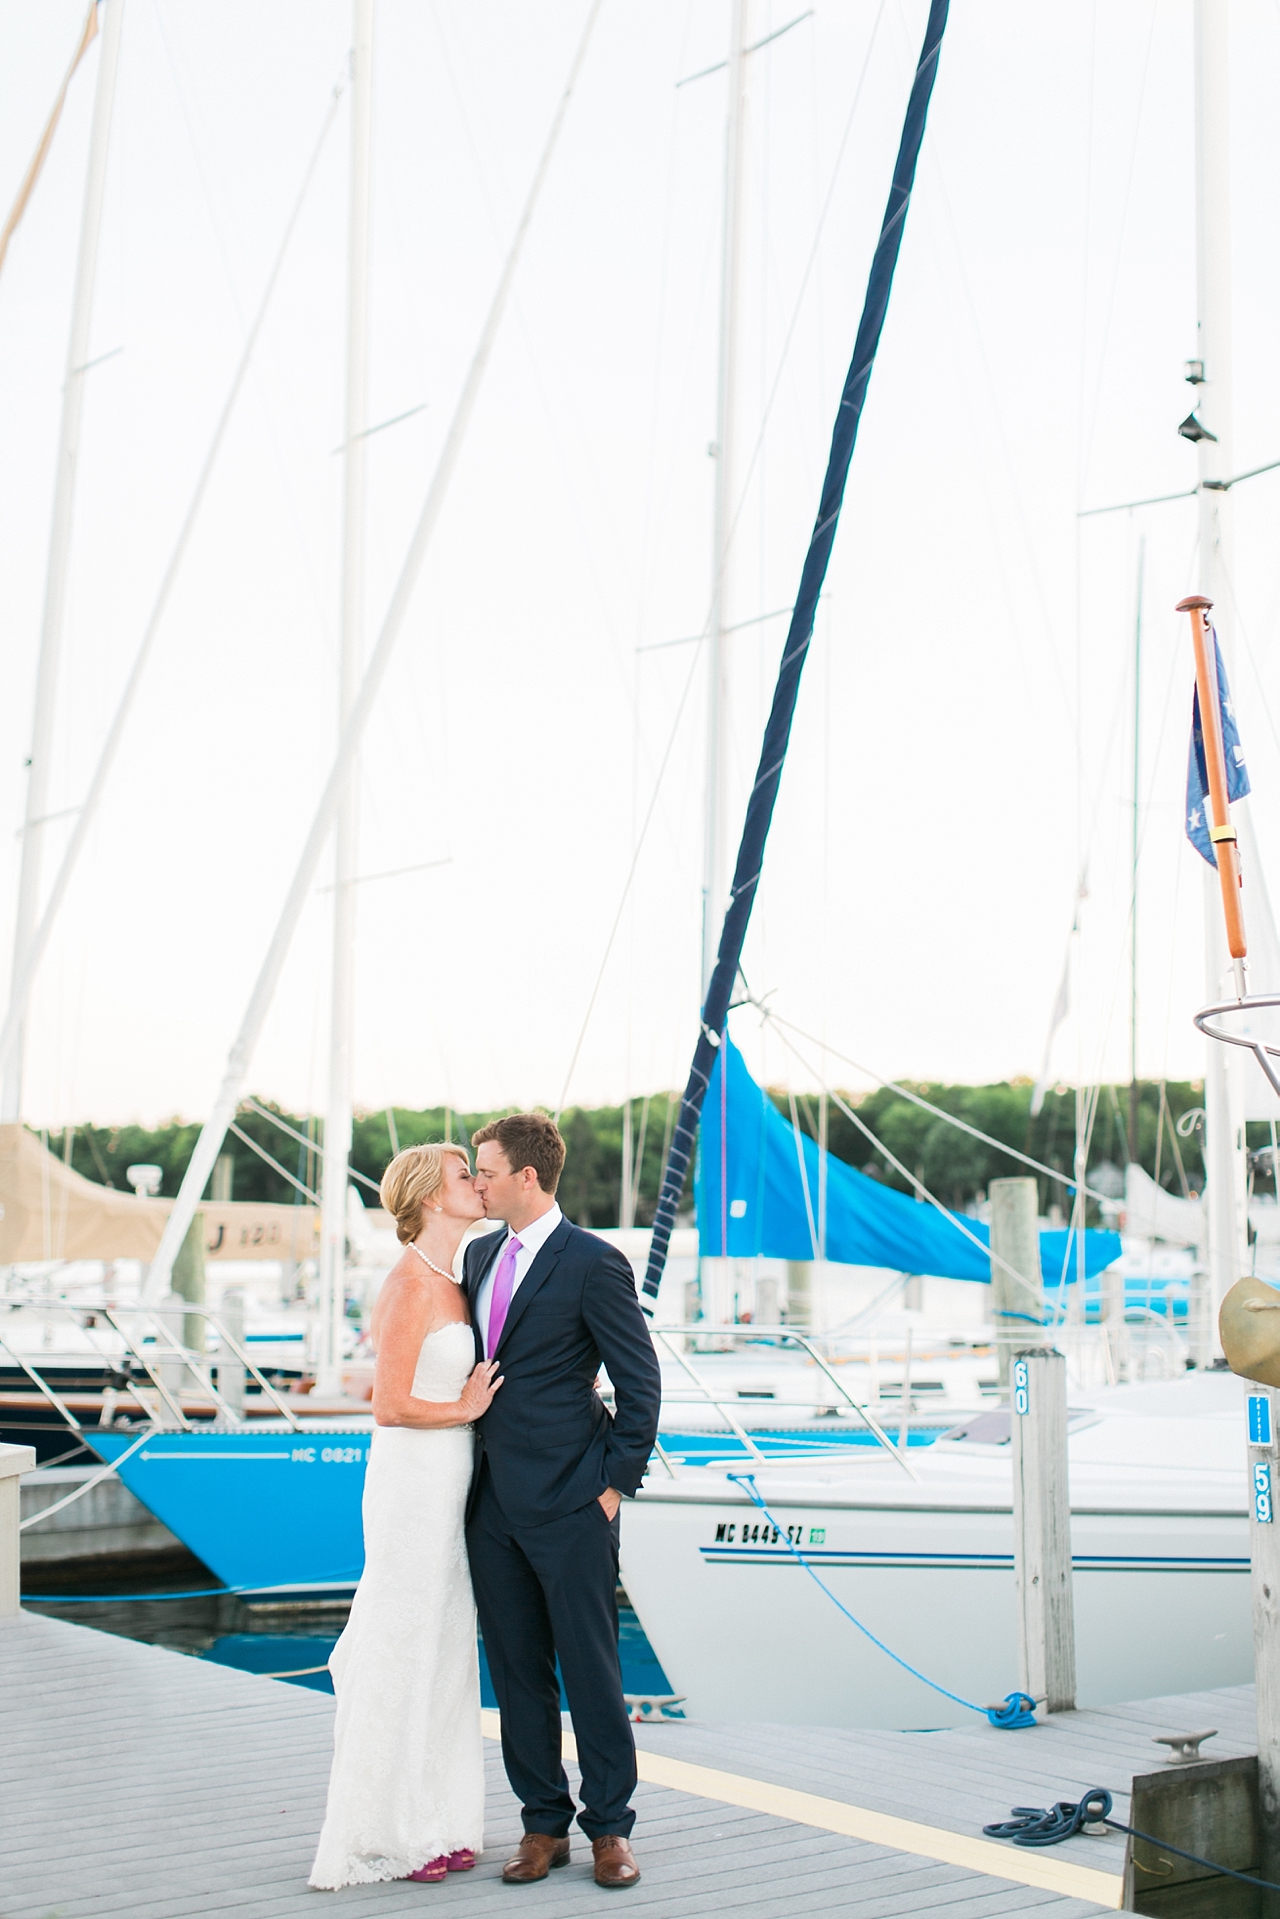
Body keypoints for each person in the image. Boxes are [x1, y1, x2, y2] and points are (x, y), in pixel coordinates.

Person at [464, 1111, 662, 1891]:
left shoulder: (592, 1261)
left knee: (591, 1670)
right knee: (517, 1672)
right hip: (491, 1507)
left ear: (527, 1176)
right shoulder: (478, 1254)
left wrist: (613, 1485)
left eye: (485, 1169)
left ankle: (610, 1827)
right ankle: (541, 1823)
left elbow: (639, 1382)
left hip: (575, 1500)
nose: (476, 1181)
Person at [309, 1143, 503, 1889]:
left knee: (445, 1643)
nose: (477, 1184)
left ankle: (440, 1822)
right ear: (430, 1196)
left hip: (451, 1478)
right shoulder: (410, 1287)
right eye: (465, 1176)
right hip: (412, 1483)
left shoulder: (455, 1280)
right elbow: (387, 1403)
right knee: (403, 1641)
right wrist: (465, 1407)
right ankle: (382, 1831)